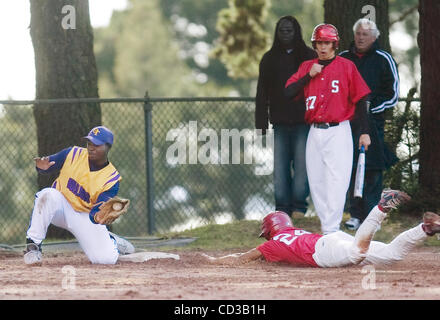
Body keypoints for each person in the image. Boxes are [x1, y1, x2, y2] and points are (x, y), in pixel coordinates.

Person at [202, 189, 440, 268]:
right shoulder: (293, 234)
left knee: (357, 253)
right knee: (391, 256)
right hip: (331, 240)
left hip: (324, 252)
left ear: (271, 229)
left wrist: (214, 261)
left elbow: (242, 258)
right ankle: (425, 229)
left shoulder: (273, 243)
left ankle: (382, 206)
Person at [284, 24, 371, 234]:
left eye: (327, 43)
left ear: (334, 44)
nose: (323, 47)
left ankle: (331, 230)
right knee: (317, 181)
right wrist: (309, 76)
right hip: (314, 131)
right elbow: (287, 93)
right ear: (314, 45)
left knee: (337, 181)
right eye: (319, 43)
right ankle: (327, 228)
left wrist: (364, 131)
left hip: (338, 130)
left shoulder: (346, 66)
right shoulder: (307, 66)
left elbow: (362, 97)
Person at [24, 126, 134, 265]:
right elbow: (48, 165)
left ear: (108, 147)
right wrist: (42, 167)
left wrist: (98, 216)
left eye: (97, 145)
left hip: (84, 216)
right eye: (89, 143)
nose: (91, 148)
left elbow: (95, 213)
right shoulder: (73, 153)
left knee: (105, 259)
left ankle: (114, 242)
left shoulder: (111, 179)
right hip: (61, 206)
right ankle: (33, 246)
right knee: (46, 195)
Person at [339, 18, 400, 231]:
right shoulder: (343, 58)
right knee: (351, 167)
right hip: (347, 125)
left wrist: (369, 109)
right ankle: (354, 214)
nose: (361, 37)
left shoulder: (384, 59)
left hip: (374, 124)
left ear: (374, 37)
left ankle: (371, 218)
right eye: (358, 34)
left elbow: (392, 94)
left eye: (365, 34)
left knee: (372, 170)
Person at [255, 16, 317, 217]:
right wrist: (261, 123)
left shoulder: (309, 56)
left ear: (296, 31)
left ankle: (299, 207)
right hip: (280, 122)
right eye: (282, 30)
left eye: (289, 30)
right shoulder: (269, 59)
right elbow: (262, 92)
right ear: (276, 32)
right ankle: (282, 210)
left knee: (302, 167)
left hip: (304, 122)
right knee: (280, 169)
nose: (285, 34)